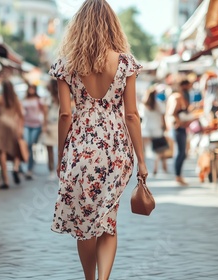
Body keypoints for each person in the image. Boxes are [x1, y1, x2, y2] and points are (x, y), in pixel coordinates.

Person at [48, 1, 147, 279]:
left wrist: (60, 157)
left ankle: (90, 279)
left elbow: (65, 114)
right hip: (116, 151)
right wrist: (141, 161)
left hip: (80, 150)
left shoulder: (66, 66)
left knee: (84, 223)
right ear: (112, 25)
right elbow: (132, 116)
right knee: (108, 221)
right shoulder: (125, 63)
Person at [0, 80, 24, 189]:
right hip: (13, 125)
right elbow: (21, 115)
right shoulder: (16, 99)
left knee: (2, 152)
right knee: (17, 149)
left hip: (2, 125)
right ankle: (16, 168)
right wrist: (20, 128)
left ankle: (6, 180)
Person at [166, 79, 196, 186]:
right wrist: (179, 123)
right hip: (178, 128)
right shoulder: (177, 97)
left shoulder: (178, 96)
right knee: (181, 153)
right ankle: (178, 176)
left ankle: (178, 175)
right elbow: (172, 112)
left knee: (181, 152)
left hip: (179, 128)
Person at [140, 86, 168, 175]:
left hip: (145, 129)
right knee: (159, 150)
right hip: (156, 129)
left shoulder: (143, 104)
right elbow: (163, 116)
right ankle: (156, 167)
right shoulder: (159, 104)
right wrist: (165, 126)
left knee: (144, 151)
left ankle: (143, 168)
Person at [21, 84, 45, 180]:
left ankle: (30, 167)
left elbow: (44, 111)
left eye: (33, 88)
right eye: (30, 88)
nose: (31, 90)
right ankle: (27, 166)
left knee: (30, 144)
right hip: (26, 124)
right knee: (26, 144)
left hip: (36, 125)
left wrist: (44, 124)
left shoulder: (39, 100)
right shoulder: (24, 99)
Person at [41, 79, 60, 180]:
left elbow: (45, 113)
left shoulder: (49, 98)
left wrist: (44, 126)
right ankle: (55, 169)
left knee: (53, 150)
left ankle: (53, 169)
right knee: (56, 149)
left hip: (54, 124)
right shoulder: (54, 97)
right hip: (55, 124)